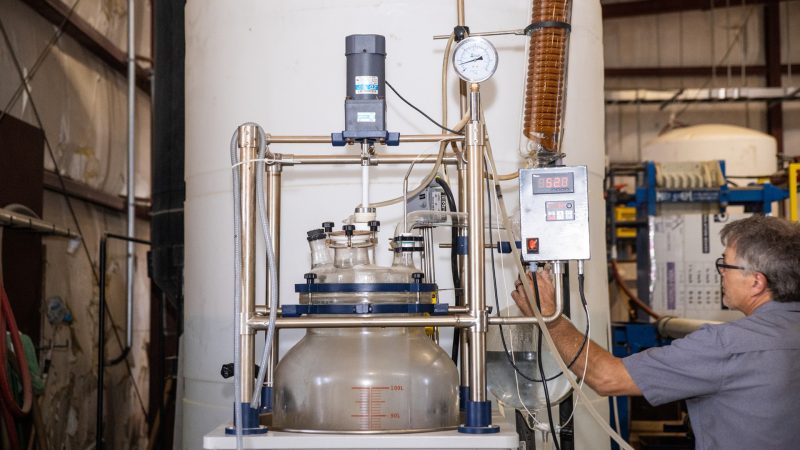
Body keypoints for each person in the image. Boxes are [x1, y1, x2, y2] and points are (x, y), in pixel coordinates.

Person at [511, 215, 800, 450]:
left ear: (757, 282)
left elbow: (607, 377)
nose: (721, 272)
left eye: (725, 264)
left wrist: (550, 319)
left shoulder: (725, 346)